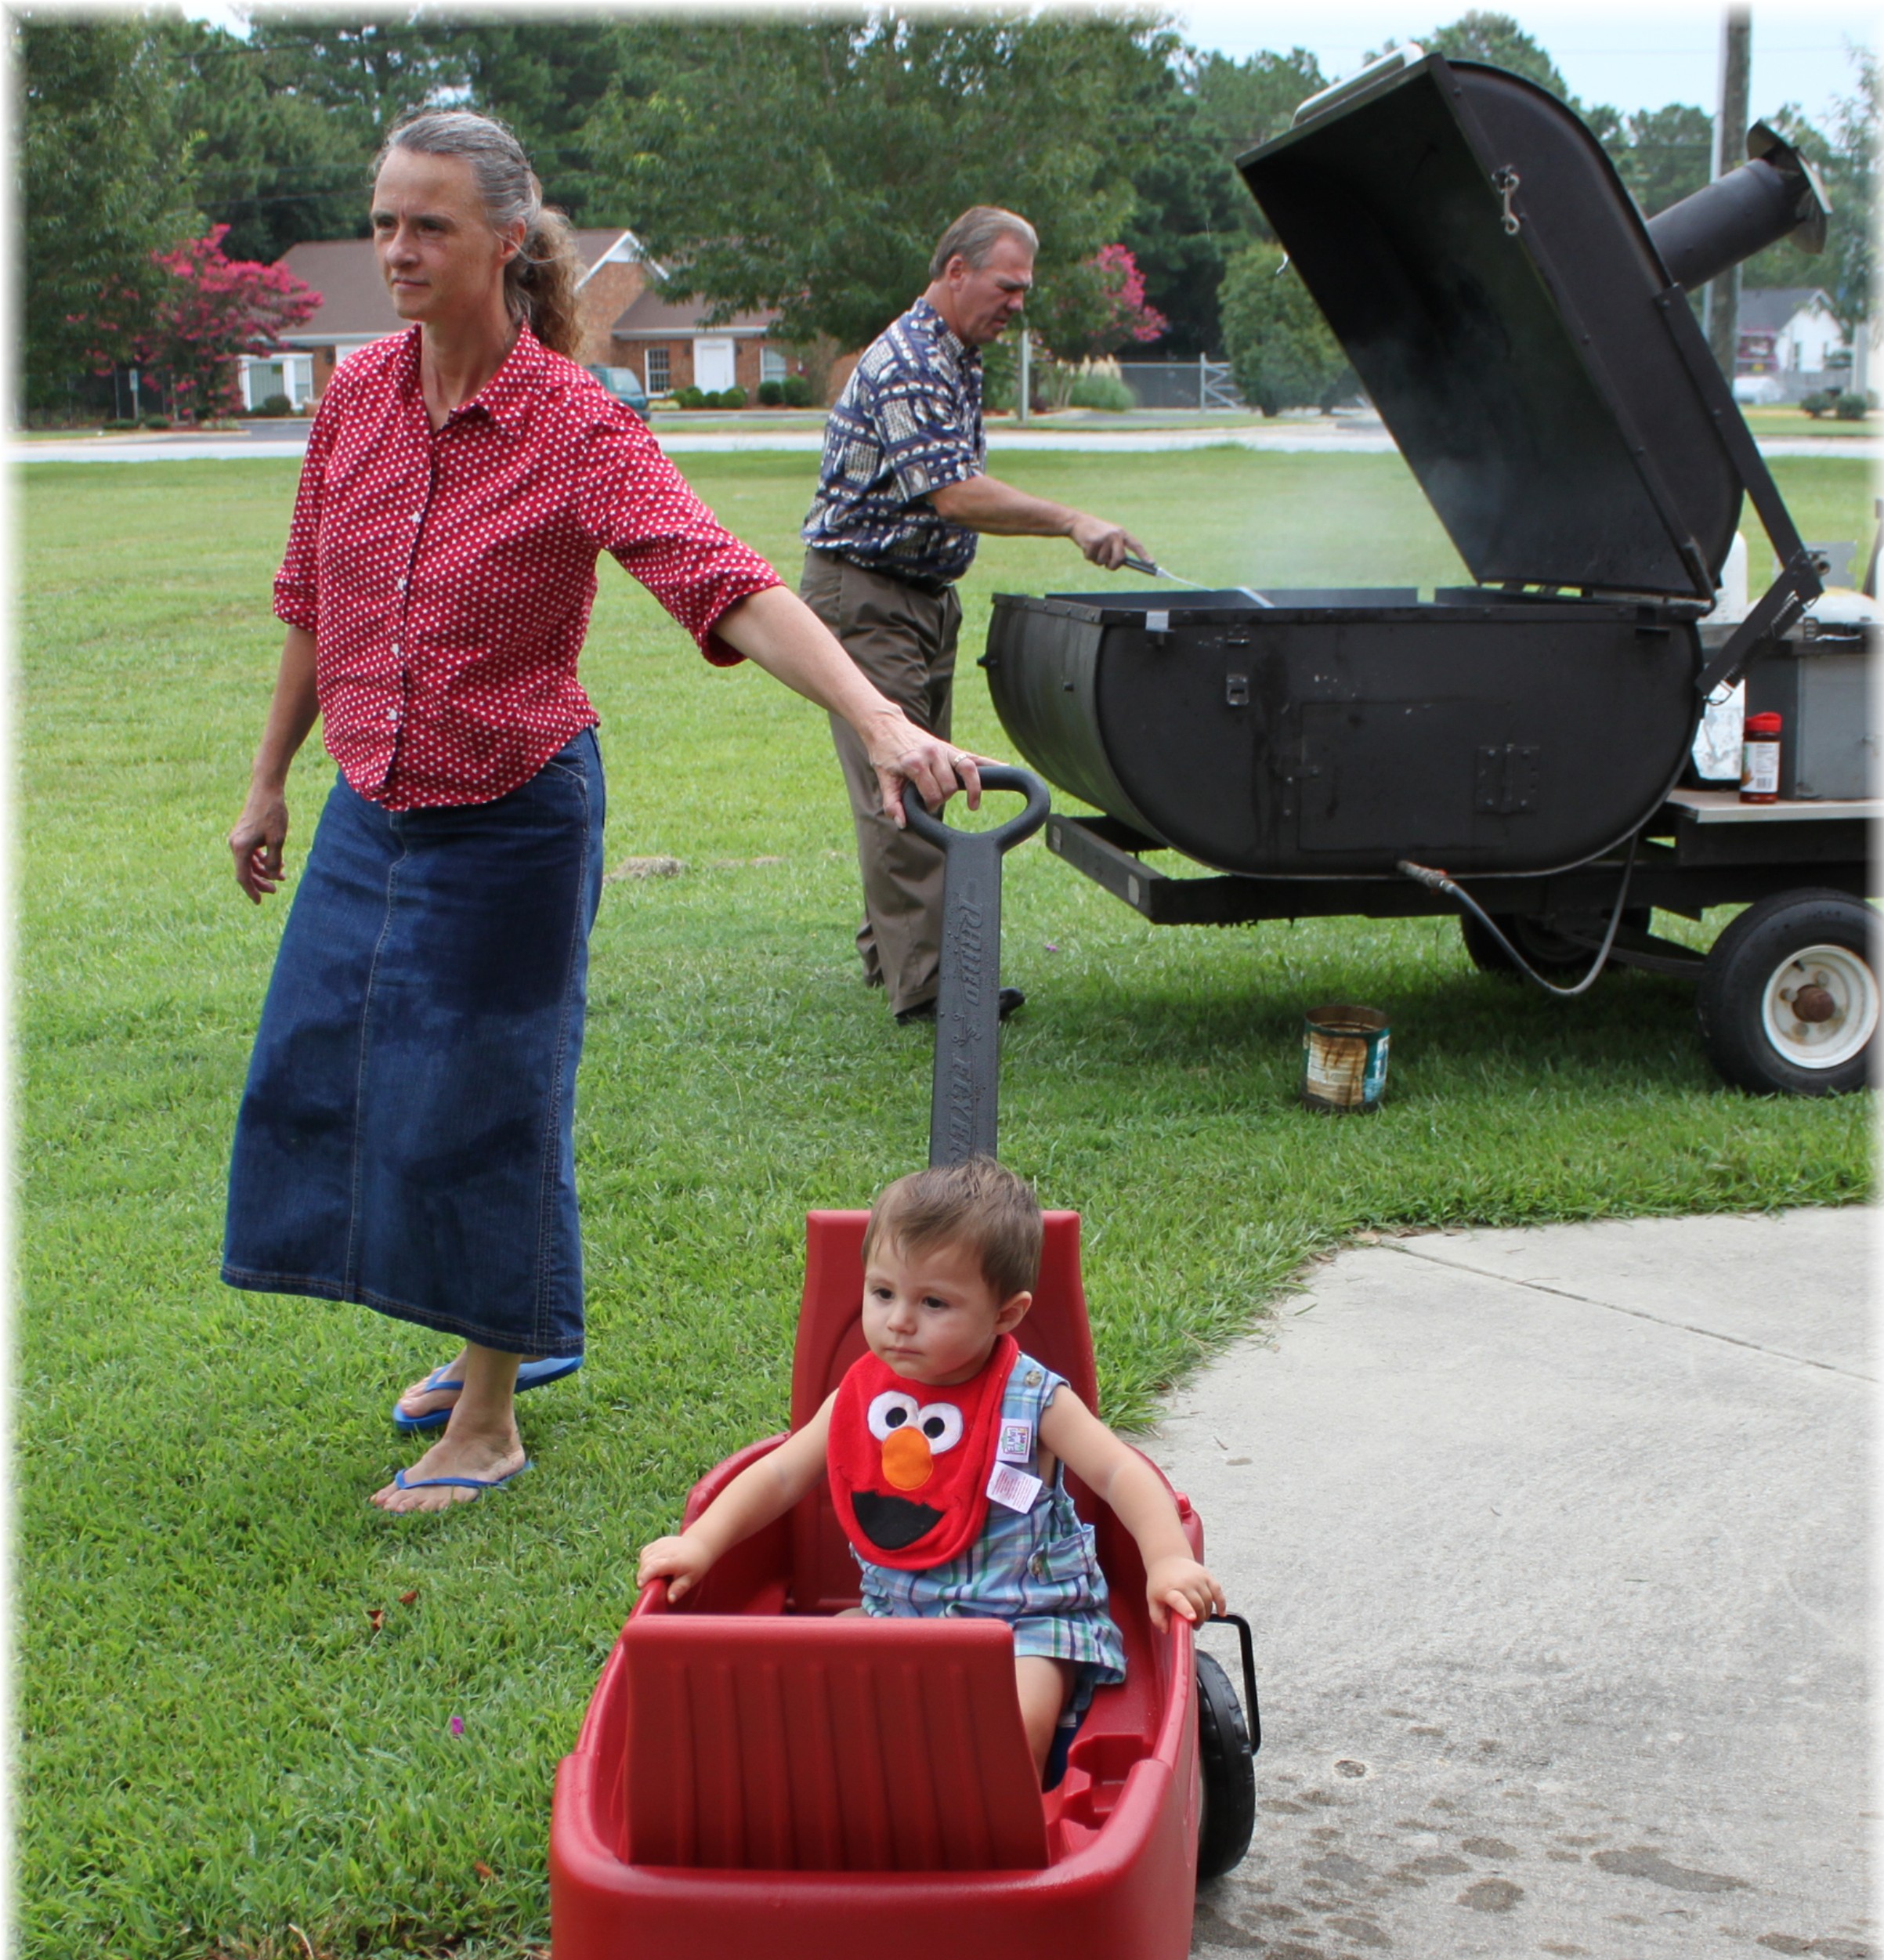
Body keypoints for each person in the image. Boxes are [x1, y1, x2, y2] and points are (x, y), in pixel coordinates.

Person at [222, 110, 980, 1515]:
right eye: (384, 220)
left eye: (429, 224)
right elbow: (311, 599)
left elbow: (725, 579)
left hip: (514, 812)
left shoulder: (574, 421)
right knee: (331, 1075)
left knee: (488, 1103)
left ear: (506, 240)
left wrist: (877, 715)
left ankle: (489, 1416)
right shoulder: (357, 396)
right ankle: (510, 1326)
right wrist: (271, 779)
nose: (397, 249)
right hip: (371, 803)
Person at [637, 1159, 1224, 1776]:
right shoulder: (861, 1398)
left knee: (1015, 1719)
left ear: (1006, 1314)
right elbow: (781, 1475)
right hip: (899, 1613)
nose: (899, 1321)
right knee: (816, 1681)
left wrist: (1167, 1560)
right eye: (883, 1293)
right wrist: (701, 1542)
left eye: (934, 1302)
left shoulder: (1033, 1399)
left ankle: (997, 1810)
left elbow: (1119, 1473)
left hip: (1023, 1621)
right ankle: (852, 1794)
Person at [800, 207, 1152, 1026]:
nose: (1017, 304)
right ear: (955, 270)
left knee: (921, 779)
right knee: (904, 787)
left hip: (919, 596)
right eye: (1007, 285)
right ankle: (930, 988)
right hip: (868, 596)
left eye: (1024, 289)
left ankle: (892, 953)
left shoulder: (957, 355)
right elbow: (952, 492)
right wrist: (1070, 520)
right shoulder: (913, 359)